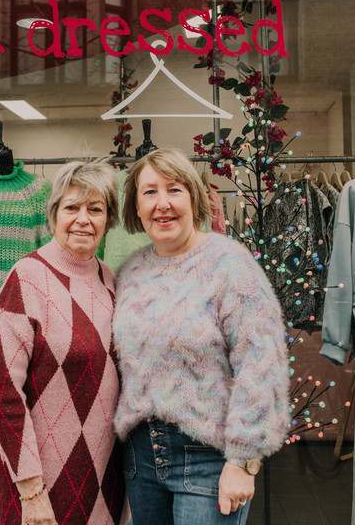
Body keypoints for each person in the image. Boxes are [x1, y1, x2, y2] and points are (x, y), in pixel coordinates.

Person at [111, 148, 289, 524]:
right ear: (136, 207)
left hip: (208, 456)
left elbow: (262, 363)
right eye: (149, 192)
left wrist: (243, 460)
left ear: (193, 197)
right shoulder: (129, 272)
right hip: (140, 459)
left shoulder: (230, 265)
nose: (162, 203)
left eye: (174, 190)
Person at [0, 160, 126, 525]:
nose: (83, 219)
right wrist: (31, 490)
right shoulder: (26, 278)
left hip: (104, 474)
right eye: (71, 207)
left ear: (109, 219)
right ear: (54, 215)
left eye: (95, 209)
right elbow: (2, 391)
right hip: (38, 481)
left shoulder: (110, 280)